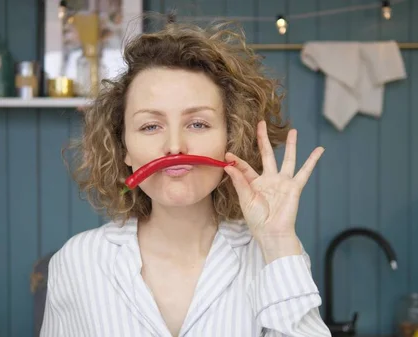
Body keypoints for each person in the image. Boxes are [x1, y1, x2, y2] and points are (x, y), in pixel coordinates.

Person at [40, 18, 331, 337]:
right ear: (124, 148)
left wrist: (277, 244)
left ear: (229, 140)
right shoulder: (76, 262)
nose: (175, 146)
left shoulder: (276, 253)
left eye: (198, 124)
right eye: (151, 126)